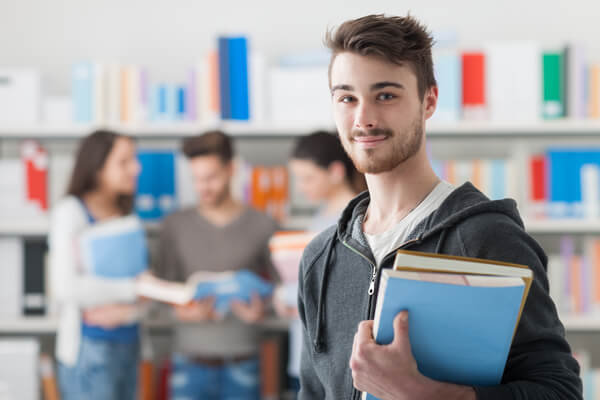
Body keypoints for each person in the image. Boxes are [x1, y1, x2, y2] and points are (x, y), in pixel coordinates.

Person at [297, 14, 583, 400]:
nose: (363, 118)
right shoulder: (320, 258)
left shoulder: (485, 238)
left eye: (385, 95)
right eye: (347, 98)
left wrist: (426, 395)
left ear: (428, 100)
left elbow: (559, 392)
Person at [153, 130, 278, 400]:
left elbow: (283, 291)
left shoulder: (263, 225)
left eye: (211, 178)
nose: (203, 188)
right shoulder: (174, 226)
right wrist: (180, 312)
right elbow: (157, 294)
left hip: (243, 361)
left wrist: (261, 310)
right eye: (196, 179)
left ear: (232, 169)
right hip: (188, 363)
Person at [49, 130, 146, 400]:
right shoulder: (71, 212)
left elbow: (142, 293)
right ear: (98, 165)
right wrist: (133, 288)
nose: (135, 168)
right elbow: (66, 287)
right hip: (90, 351)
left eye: (134, 160)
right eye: (124, 161)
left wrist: (132, 309)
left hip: (129, 346)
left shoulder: (127, 216)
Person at [274, 130, 364, 394]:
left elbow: (350, 291)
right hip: (306, 353)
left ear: (336, 171)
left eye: (308, 178)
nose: (302, 187)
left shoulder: (355, 219)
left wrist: (296, 296)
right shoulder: (320, 216)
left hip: (337, 362)